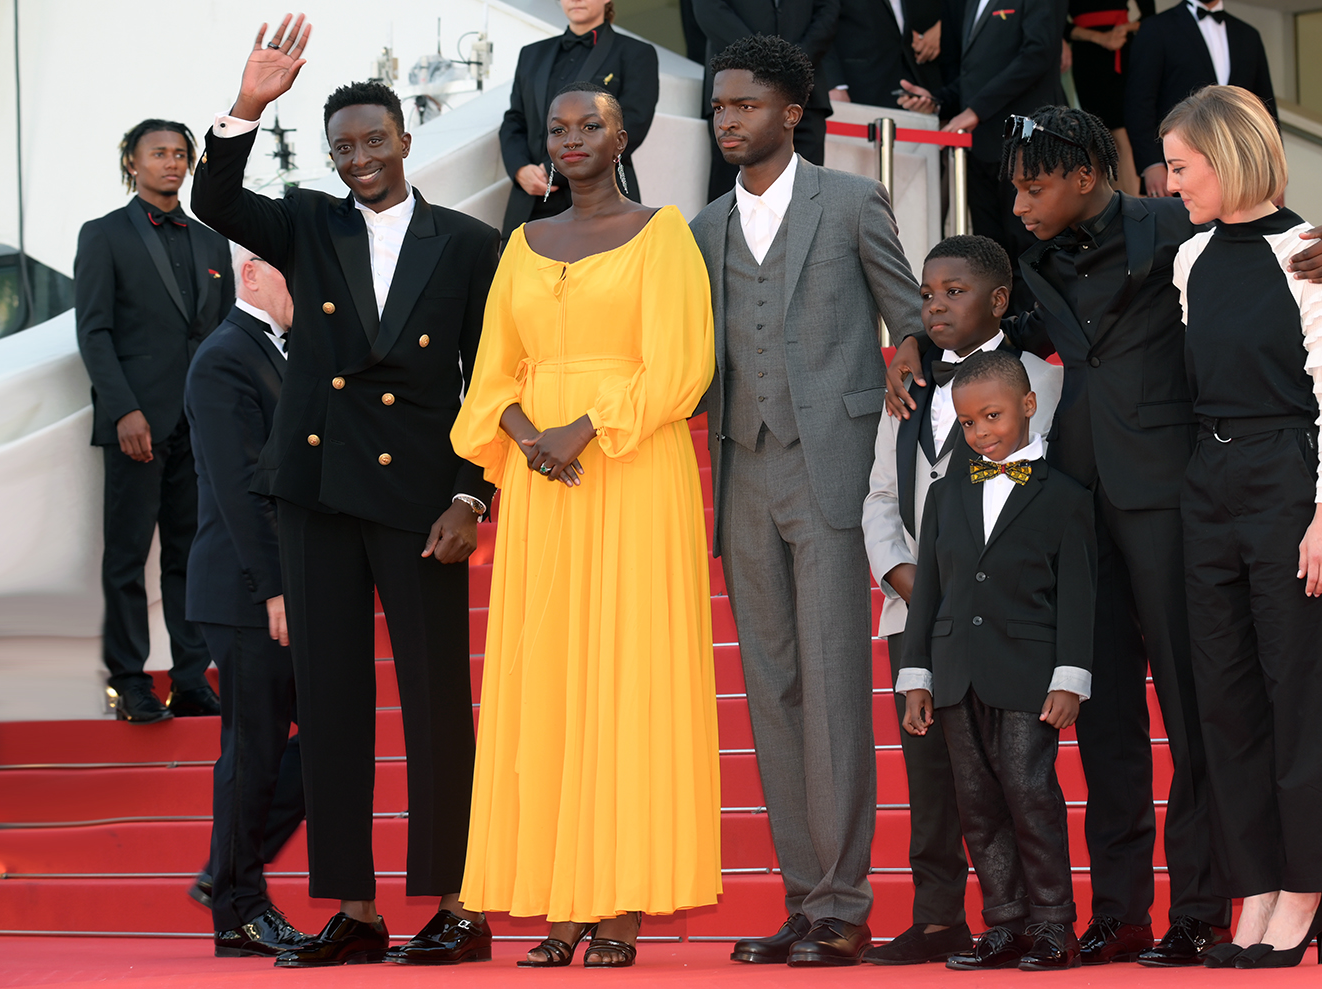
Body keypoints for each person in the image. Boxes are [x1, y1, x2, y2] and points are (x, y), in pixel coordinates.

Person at [884, 104, 1322, 967]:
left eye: (1034, 187)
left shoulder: (1174, 227)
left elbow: (1274, 255)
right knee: (1103, 715)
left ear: (1084, 177)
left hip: (1179, 496)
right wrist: (918, 344)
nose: (1019, 205)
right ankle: (1120, 911)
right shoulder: (1036, 258)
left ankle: (1202, 907)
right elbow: (1008, 335)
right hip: (1079, 502)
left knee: (1199, 710)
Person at [191, 16, 499, 967]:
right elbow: (213, 196)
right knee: (329, 703)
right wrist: (249, 103)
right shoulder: (306, 223)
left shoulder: (466, 243)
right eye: (343, 148)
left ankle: (458, 905)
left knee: (437, 702)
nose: (359, 158)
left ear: (405, 139)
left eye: (374, 141)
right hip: (316, 494)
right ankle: (357, 910)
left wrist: (471, 497)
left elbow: (491, 377)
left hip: (419, 502)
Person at [452, 81, 719, 971]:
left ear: (622, 137)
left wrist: (584, 426)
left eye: (589, 126)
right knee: (550, 686)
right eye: (558, 128)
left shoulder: (663, 233)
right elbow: (493, 370)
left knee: (628, 678)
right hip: (543, 485)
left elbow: (681, 364)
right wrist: (528, 434)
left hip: (631, 470)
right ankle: (562, 903)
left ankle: (621, 906)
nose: (572, 139)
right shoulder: (521, 245)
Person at [692, 34, 923, 967]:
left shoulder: (853, 201)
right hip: (741, 471)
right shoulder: (702, 227)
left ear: (790, 113)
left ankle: (844, 904)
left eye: (744, 105)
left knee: (831, 687)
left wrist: (908, 352)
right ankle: (802, 899)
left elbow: (911, 313)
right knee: (771, 690)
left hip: (830, 468)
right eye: (718, 107)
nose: (727, 120)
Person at [1164, 85, 1322, 969]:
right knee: (1227, 699)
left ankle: (1304, 889)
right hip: (1208, 481)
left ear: (1226, 158)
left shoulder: (1308, 252)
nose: (1171, 183)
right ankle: (1254, 885)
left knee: (1306, 695)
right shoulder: (1190, 258)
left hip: (1290, 478)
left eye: (1181, 167)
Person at [860, 234, 1062, 965]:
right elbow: (881, 497)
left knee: (1012, 775)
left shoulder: (1043, 382)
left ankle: (1037, 920)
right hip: (916, 612)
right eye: (925, 296)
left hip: (1004, 614)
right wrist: (909, 581)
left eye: (954, 293)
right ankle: (939, 916)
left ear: (999, 301)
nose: (935, 307)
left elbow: (1044, 498)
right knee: (931, 777)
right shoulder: (906, 385)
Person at [899, 349, 1095, 972]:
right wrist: (916, 677)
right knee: (977, 805)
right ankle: (1006, 924)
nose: (981, 432)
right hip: (956, 676)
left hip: (1029, 676)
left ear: (1028, 405)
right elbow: (928, 592)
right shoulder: (945, 494)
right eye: (968, 422)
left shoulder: (1065, 496)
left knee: (1030, 793)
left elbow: (1079, 595)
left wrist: (1071, 677)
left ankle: (1054, 925)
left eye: (993, 416)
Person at [75, 118, 232, 725]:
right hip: (136, 425)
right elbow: (94, 331)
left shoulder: (210, 241)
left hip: (199, 424)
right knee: (127, 557)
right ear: (132, 163)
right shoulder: (103, 235)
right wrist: (124, 410)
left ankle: (191, 679)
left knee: (192, 555)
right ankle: (129, 681)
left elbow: (221, 333)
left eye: (180, 153)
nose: (172, 162)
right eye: (158, 153)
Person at [184, 246, 308, 957]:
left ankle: (225, 871)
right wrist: (277, 588)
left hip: (282, 585)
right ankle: (239, 909)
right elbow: (240, 488)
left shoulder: (288, 351)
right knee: (253, 750)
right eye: (295, 271)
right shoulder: (224, 357)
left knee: (326, 740)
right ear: (252, 274)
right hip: (245, 590)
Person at [896, 0, 1067, 312]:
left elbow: (1037, 55)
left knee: (1032, 252)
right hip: (980, 148)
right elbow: (978, 73)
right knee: (992, 258)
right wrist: (939, 100)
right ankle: (1003, 337)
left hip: (1028, 145)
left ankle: (1038, 338)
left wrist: (975, 111)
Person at [499, 0, 659, 237]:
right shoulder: (531, 54)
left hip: (603, 200)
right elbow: (515, 119)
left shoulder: (636, 53)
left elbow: (633, 122)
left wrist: (554, 168)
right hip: (531, 200)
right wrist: (519, 168)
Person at [693, 0, 841, 201]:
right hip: (735, 88)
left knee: (807, 197)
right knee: (733, 197)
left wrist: (792, 65)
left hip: (806, 96)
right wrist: (763, 63)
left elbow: (828, 11)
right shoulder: (728, 117)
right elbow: (710, 10)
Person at [1125, 0, 1275, 198]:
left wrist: (1273, 172)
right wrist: (1151, 164)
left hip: (1242, 169)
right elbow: (1139, 102)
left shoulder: (1249, 35)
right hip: (1179, 169)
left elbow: (1264, 108)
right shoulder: (1155, 28)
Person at [1066, 0, 1151, 195]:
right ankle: (1117, 204)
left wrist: (1124, 29)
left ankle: (1133, 204)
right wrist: (1099, 37)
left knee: (1123, 132)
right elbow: (1061, 26)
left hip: (1121, 52)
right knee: (1101, 135)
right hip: (1086, 57)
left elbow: (1149, 17)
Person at [823, 0, 942, 109]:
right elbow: (819, 23)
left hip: (916, 88)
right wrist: (834, 86)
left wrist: (942, 26)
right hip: (858, 87)